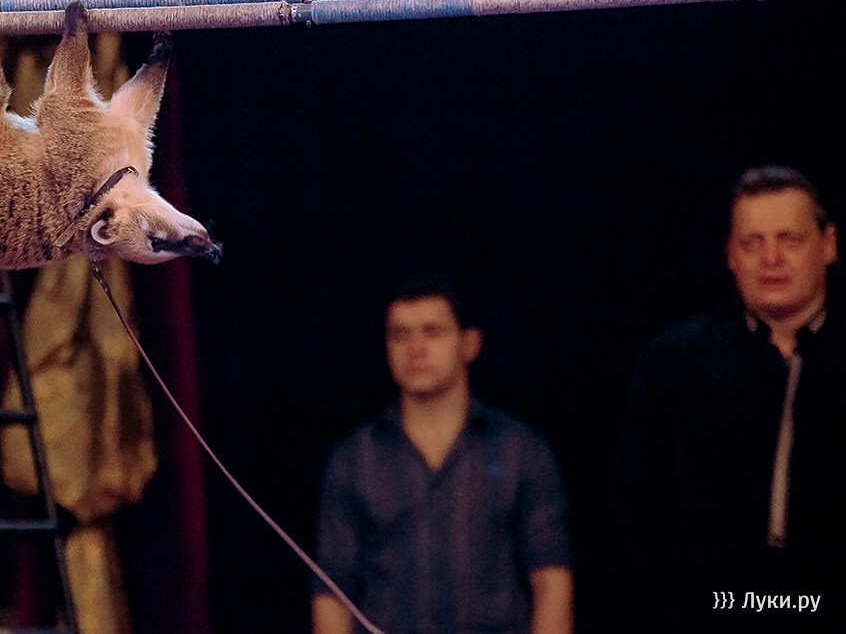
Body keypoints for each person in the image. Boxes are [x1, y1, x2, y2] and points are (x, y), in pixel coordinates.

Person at [614, 165, 846, 631]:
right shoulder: (674, 361)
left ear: (828, 245)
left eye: (790, 239)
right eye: (752, 243)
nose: (771, 258)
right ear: (730, 256)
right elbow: (636, 511)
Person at [311, 276, 573, 634]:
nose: (415, 348)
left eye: (432, 332)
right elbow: (331, 591)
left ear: (469, 344)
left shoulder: (522, 452)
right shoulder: (354, 460)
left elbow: (551, 580)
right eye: (400, 335)